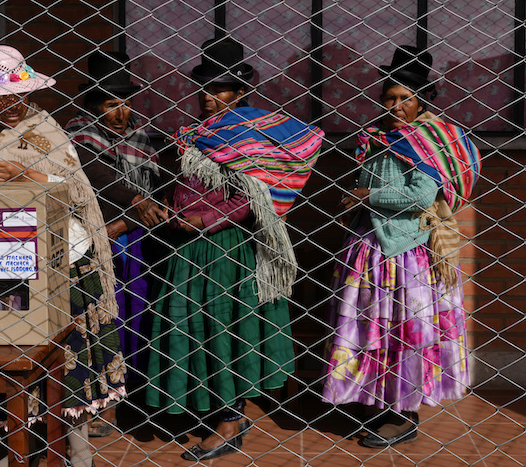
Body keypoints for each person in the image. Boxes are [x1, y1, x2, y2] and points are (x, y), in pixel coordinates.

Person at [0, 45, 127, 467]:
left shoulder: (47, 130)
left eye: (16, 94)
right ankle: (19, 448)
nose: (9, 104)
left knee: (66, 361)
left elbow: (78, 192)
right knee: (10, 360)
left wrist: (27, 174)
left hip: (61, 264)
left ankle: (79, 453)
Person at [145, 38, 324, 461]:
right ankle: (207, 406)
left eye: (219, 89)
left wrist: (205, 220)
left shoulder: (253, 134)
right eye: (204, 88)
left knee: (227, 328)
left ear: (240, 92)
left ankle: (230, 420)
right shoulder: (196, 134)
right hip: (187, 250)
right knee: (195, 326)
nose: (209, 97)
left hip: (228, 249)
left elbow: (254, 197)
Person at [321, 46, 481, 448]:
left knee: (403, 330)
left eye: (404, 99)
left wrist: (366, 196)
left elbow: (422, 194)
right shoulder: (376, 138)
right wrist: (358, 201)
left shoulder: (429, 140)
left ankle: (403, 412)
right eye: (389, 98)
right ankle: (374, 400)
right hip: (368, 250)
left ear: (421, 100)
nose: (395, 105)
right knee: (371, 327)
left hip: (407, 253)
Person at [65, 51, 167, 438]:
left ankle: (134, 393)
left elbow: (153, 181)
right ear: (93, 104)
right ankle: (102, 401)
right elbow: (98, 179)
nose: (121, 112)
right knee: (104, 318)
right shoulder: (79, 136)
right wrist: (136, 204)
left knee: (137, 313)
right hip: (98, 240)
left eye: (125, 102)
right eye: (111, 104)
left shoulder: (137, 137)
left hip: (137, 240)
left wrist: (144, 207)